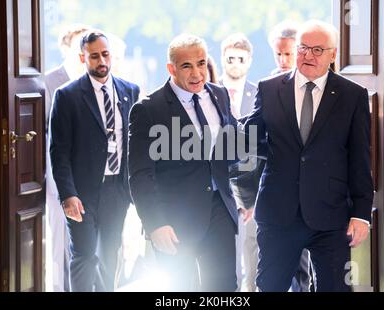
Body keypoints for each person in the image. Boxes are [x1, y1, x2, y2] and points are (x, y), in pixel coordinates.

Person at [243, 20, 373, 292]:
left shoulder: (353, 96)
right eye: (303, 49)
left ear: (333, 55)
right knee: (270, 287)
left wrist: (361, 214)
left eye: (317, 50)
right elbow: (250, 145)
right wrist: (245, 193)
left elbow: (359, 158)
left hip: (331, 215)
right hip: (279, 214)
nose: (308, 56)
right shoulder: (268, 90)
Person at [128, 34, 238, 291]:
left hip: (219, 210)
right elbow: (139, 174)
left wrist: (243, 193)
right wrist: (155, 223)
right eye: (187, 66)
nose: (197, 73)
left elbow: (230, 148)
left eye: (201, 63)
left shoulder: (220, 95)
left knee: (224, 289)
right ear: (171, 68)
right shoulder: (148, 109)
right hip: (173, 220)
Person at [49, 30, 140, 291]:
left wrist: (131, 190)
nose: (101, 61)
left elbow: (135, 143)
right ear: (83, 58)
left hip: (117, 191)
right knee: (85, 256)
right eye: (94, 56)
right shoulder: (67, 96)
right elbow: (60, 151)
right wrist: (68, 195)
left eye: (105, 54)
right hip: (82, 193)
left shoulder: (129, 90)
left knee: (110, 256)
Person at [268, 21, 315, 292]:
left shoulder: (317, 85)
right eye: (278, 54)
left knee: (308, 266)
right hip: (280, 192)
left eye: (288, 53)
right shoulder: (268, 88)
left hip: (313, 193)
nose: (284, 60)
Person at [44, 23, 90, 292]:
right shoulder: (49, 82)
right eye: (78, 46)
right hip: (58, 180)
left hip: (89, 179)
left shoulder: (93, 83)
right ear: (65, 48)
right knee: (60, 248)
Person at [219, 32, 261, 292]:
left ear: (249, 61)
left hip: (251, 182)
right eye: (230, 58)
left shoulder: (260, 94)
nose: (235, 64)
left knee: (252, 247)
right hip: (218, 181)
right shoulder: (209, 92)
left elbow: (261, 146)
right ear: (223, 59)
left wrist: (253, 192)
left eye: (241, 59)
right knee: (224, 248)